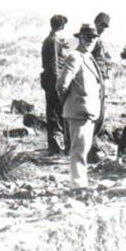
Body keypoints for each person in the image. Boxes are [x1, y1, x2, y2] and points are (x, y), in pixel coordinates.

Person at [56, 24, 104, 190]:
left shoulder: (88, 57)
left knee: (83, 150)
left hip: (89, 113)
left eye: (93, 38)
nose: (90, 41)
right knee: (78, 151)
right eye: (87, 37)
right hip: (79, 112)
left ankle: (81, 183)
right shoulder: (75, 57)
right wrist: (72, 102)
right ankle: (77, 186)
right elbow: (61, 85)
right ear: (80, 38)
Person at [40, 14, 68, 155]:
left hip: (49, 80)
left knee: (53, 113)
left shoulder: (50, 40)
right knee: (56, 114)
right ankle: (55, 147)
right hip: (53, 81)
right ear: (62, 26)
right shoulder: (54, 41)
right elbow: (54, 64)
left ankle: (54, 146)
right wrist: (59, 84)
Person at [87, 12, 112, 164]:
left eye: (105, 27)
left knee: (99, 115)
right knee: (95, 115)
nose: (103, 29)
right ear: (96, 22)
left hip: (100, 81)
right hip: (94, 82)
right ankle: (90, 148)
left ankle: (92, 146)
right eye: (101, 25)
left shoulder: (98, 40)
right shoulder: (91, 40)